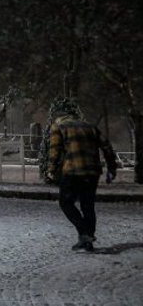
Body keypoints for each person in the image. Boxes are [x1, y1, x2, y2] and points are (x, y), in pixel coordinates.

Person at [47, 99, 118, 252]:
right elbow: (107, 146)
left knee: (65, 203)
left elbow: (55, 149)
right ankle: (87, 241)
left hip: (72, 170)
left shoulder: (58, 126)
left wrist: (51, 169)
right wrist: (112, 168)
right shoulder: (90, 126)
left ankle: (84, 233)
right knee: (88, 205)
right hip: (92, 171)